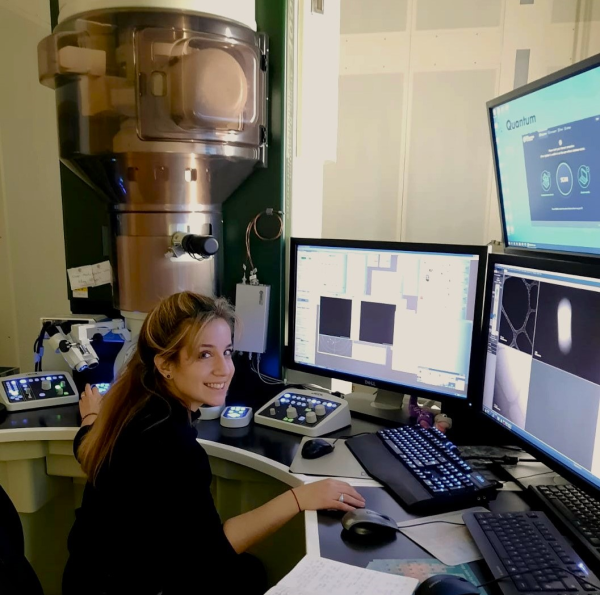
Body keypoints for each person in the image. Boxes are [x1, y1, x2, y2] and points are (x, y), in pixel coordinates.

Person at [63, 291, 365, 595]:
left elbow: (84, 445)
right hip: (136, 585)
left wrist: (91, 416)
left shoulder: (127, 408)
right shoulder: (173, 446)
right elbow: (211, 553)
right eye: (204, 354)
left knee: (247, 571)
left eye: (227, 351)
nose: (224, 369)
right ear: (165, 364)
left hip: (85, 577)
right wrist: (299, 499)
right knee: (247, 574)